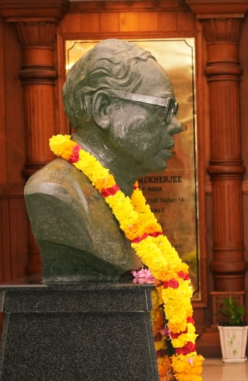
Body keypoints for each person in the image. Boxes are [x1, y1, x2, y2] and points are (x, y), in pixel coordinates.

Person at [25, 38, 183, 282]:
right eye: (165, 108)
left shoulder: (124, 194)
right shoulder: (54, 192)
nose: (176, 125)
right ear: (103, 109)